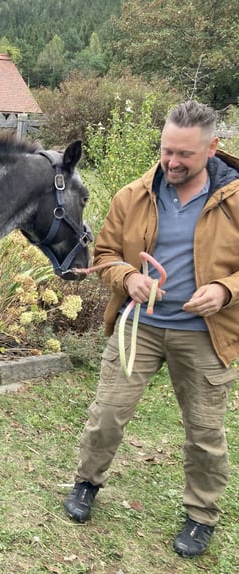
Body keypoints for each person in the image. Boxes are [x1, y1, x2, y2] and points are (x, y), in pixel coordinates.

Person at [63, 100, 239, 557]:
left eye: (185, 154)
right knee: (107, 414)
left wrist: (224, 289)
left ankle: (201, 515)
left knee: (204, 431)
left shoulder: (236, 199)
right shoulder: (133, 195)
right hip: (137, 327)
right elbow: (103, 256)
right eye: (167, 151)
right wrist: (128, 277)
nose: (172, 162)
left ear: (213, 149)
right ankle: (86, 483)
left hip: (203, 333)